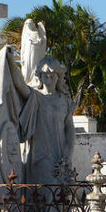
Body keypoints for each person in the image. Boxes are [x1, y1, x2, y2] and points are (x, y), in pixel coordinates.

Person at [15, 57, 76, 185]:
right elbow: (20, 84)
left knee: (58, 196)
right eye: (46, 75)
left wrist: (69, 151)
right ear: (40, 77)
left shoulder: (65, 101)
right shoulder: (35, 98)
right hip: (41, 154)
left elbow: (69, 128)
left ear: (58, 77)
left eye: (53, 75)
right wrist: (9, 59)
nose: (50, 79)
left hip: (60, 155)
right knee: (45, 193)